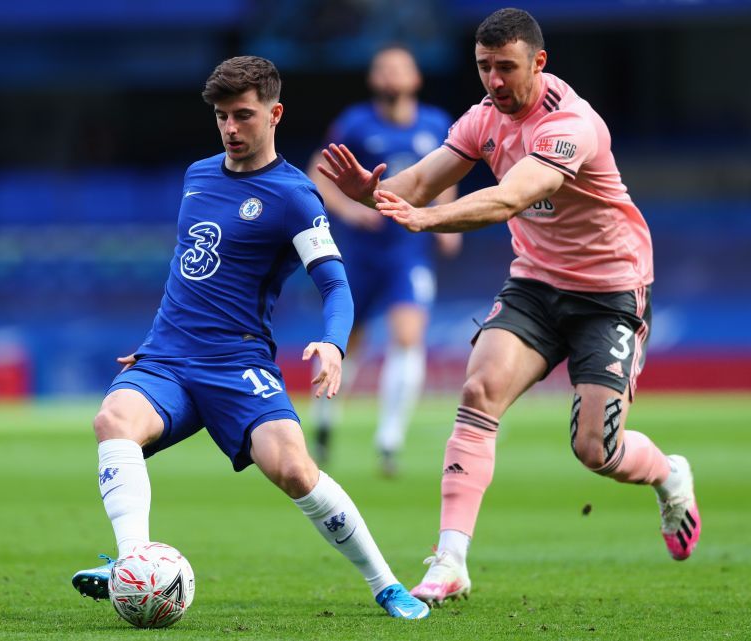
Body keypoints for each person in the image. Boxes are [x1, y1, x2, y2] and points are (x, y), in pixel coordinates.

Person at [318, 8, 701, 607]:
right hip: (535, 283)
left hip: (609, 291)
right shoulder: (482, 118)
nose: (493, 80)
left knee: (595, 451)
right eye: (483, 67)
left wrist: (428, 218)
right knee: (479, 391)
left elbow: (509, 198)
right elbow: (418, 182)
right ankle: (450, 560)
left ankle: (669, 474)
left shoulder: (571, 124)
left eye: (505, 67)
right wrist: (374, 193)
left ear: (538, 63)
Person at [71, 56, 429, 620]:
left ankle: (386, 583)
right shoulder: (198, 175)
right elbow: (191, 268)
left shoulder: (295, 196)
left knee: (293, 470)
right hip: (168, 358)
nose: (231, 129)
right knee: (113, 420)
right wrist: (157, 339)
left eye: (243, 115)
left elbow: (336, 285)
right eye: (221, 117)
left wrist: (334, 343)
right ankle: (133, 562)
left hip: (237, 364)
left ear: (275, 113)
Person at [307, 45, 461, 475]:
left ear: (416, 78)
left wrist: (442, 220)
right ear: (374, 79)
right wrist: (352, 210)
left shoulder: (434, 124)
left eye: (400, 67)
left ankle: (389, 442)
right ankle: (323, 423)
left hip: (407, 250)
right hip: (359, 251)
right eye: (383, 68)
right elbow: (316, 170)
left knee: (408, 336)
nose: (392, 75)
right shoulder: (355, 123)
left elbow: (446, 174)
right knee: (347, 340)